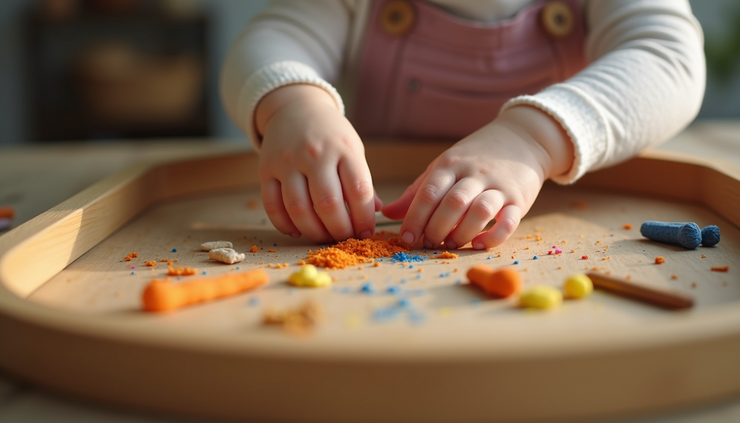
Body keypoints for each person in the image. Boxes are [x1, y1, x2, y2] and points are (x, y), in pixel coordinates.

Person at [221, 0, 705, 250]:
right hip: (378, 209)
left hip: (561, 207)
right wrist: (292, 104)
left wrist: (530, 140)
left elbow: (667, 59)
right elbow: (272, 37)